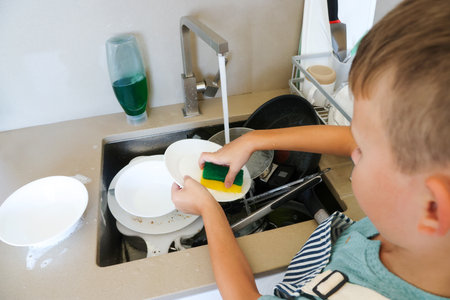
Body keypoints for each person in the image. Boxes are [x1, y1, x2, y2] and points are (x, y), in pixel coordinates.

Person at [171, 0, 450, 299]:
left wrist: (209, 209)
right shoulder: (416, 232)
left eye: (363, 151)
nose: (353, 149)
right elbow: (350, 139)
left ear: (432, 206)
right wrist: (253, 140)